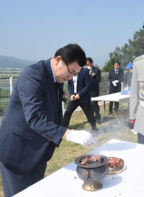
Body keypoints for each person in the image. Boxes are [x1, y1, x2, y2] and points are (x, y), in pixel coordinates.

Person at [0, 44, 94, 197]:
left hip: (38, 153)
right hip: (17, 152)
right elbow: (35, 117)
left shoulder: (56, 77)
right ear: (58, 60)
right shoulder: (33, 75)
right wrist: (69, 134)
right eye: (71, 72)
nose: (70, 77)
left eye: (75, 74)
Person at [86, 57, 101, 124]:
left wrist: (90, 77)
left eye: (88, 64)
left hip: (94, 90)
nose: (87, 66)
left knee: (94, 104)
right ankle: (90, 118)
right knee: (88, 105)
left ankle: (98, 117)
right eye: (86, 64)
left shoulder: (96, 70)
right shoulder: (85, 71)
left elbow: (98, 80)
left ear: (92, 63)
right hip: (87, 91)